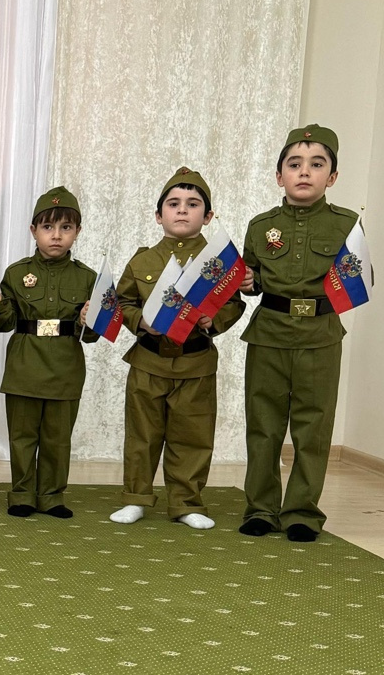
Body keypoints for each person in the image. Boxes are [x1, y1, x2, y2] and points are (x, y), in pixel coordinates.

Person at [239, 124, 358, 543]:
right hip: (269, 334)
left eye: (317, 164)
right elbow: (251, 277)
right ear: (279, 176)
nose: (304, 172)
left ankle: (303, 512)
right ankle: (261, 508)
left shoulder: (348, 225)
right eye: (294, 164)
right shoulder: (260, 226)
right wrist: (249, 283)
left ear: (333, 176)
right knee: (264, 425)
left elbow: (355, 277)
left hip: (320, 336)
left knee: (313, 427)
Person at [109, 165, 244, 531]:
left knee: (192, 436)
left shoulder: (218, 262)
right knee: (142, 436)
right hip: (148, 361)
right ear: (159, 215)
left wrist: (213, 320)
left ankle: (186, 502)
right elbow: (122, 302)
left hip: (195, 363)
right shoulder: (142, 261)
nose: (182, 210)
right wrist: (141, 322)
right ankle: (136, 498)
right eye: (173, 203)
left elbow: (234, 302)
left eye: (193, 204)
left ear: (208, 216)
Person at [0, 187, 98, 518]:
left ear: (77, 232)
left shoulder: (87, 277)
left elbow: (92, 336)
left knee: (57, 438)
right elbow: (3, 324)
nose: (56, 235)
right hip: (25, 364)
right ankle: (22, 493)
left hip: (65, 366)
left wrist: (88, 320)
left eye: (66, 227)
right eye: (48, 227)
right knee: (22, 436)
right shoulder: (16, 273)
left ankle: (52, 495)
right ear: (33, 230)